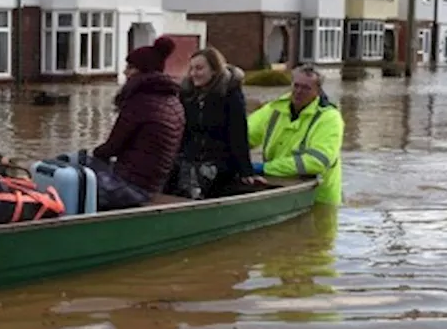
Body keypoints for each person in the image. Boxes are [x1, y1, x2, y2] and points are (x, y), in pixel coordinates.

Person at [90, 36, 185, 208]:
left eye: (130, 67)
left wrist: (90, 158)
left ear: (143, 71)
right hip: (152, 185)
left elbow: (111, 147)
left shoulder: (140, 102)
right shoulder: (173, 100)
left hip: (130, 187)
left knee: (73, 169)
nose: (125, 72)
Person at [167, 47, 266, 198]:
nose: (194, 73)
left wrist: (246, 171)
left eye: (199, 68)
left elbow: (238, 135)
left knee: (201, 180)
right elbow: (182, 133)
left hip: (219, 162)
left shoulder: (230, 96)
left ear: (214, 70)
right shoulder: (187, 95)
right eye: (191, 68)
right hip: (190, 158)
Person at [247, 63, 345, 206]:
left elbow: (317, 161)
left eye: (306, 88)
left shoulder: (330, 118)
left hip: (318, 199)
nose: (299, 91)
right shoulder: (275, 108)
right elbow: (246, 134)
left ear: (318, 91)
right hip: (278, 190)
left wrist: (264, 168)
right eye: (296, 85)